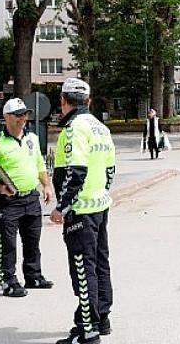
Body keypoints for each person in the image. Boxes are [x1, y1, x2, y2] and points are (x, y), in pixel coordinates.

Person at [50, 78, 116, 344]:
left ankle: (88, 329)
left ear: (63, 102)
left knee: (83, 268)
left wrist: (62, 206)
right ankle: (102, 317)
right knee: (100, 264)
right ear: (88, 101)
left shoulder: (74, 128)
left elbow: (74, 171)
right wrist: (100, 192)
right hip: (99, 206)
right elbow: (110, 171)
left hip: (80, 210)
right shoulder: (100, 127)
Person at [0, 98, 55, 298]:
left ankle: (33, 276)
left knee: (32, 241)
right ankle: (8, 281)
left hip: (31, 198)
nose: (23, 119)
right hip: (8, 202)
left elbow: (39, 163)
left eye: (25, 114)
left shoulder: (32, 138)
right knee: (7, 244)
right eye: (18, 115)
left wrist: (46, 185)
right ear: (6, 117)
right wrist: (0, 186)